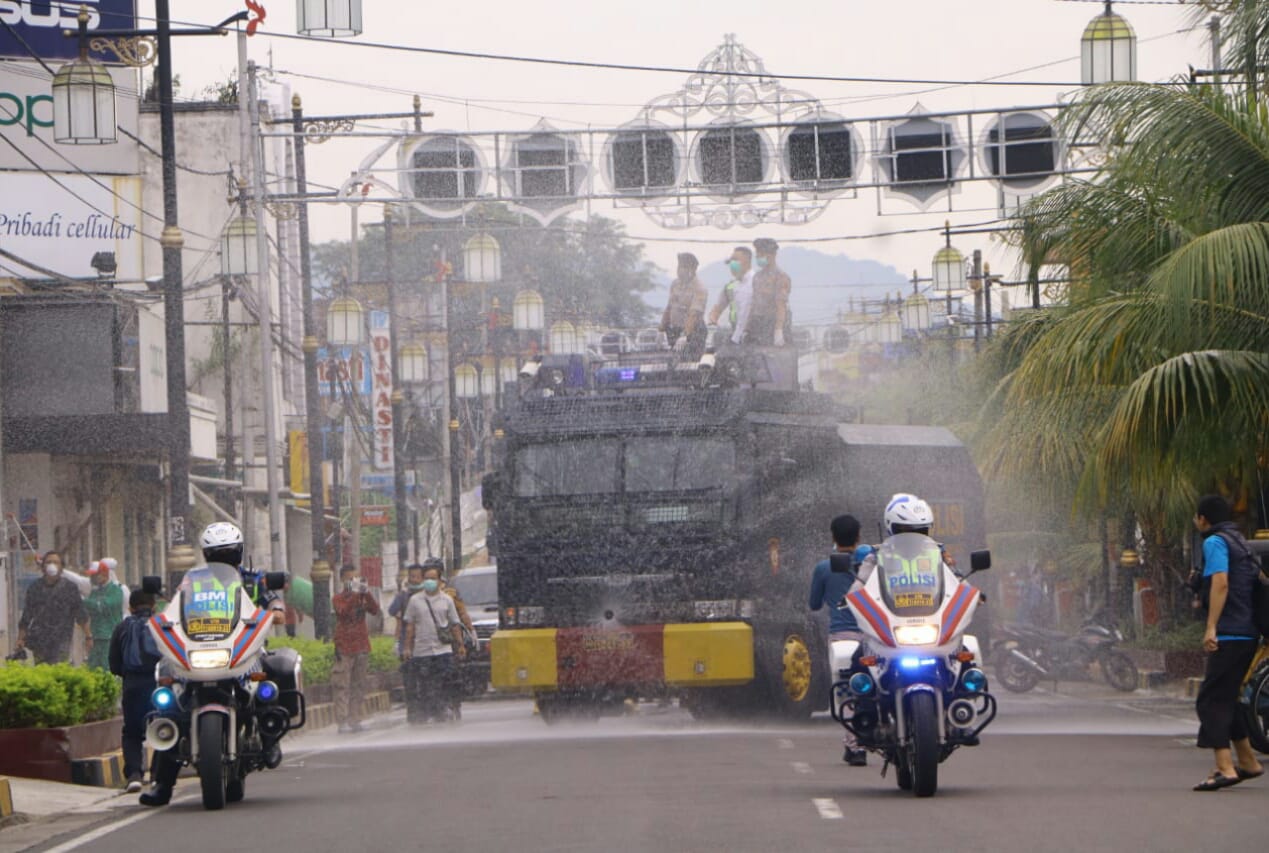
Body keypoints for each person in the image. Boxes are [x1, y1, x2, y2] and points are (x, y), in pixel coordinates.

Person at [1189, 494, 1264, 791]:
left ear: (1203, 519)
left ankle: (1225, 768)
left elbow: (1221, 582)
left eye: (1197, 518)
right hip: (1247, 632)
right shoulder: (1240, 542)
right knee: (1227, 698)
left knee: (1209, 700)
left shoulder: (1215, 542)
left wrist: (1211, 627)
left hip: (1229, 633)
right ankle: (1248, 762)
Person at [809, 514, 872, 766]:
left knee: (847, 691)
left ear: (833, 537)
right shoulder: (871, 564)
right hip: (872, 635)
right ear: (858, 536)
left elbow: (814, 604)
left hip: (841, 636)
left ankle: (854, 746)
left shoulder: (824, 568)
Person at [109, 589, 162, 793]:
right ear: (154, 606)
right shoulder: (163, 627)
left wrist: (129, 676)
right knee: (165, 727)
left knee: (132, 732)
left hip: (132, 686)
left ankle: (134, 775)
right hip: (160, 685)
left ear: (130, 608)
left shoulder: (122, 628)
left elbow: (114, 664)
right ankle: (159, 773)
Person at [402, 563, 467, 724]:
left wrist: (460, 645)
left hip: (442, 650)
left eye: (433, 578)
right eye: (427, 578)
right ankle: (430, 710)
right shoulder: (415, 601)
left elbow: (454, 624)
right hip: (422, 651)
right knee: (425, 683)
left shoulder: (447, 600)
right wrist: (407, 647)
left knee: (445, 681)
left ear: (439, 580)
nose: (429, 581)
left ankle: (444, 708)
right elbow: (410, 626)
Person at [199, 522, 284, 619]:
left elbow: (273, 601)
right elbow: (181, 603)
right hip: (203, 631)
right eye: (218, 556)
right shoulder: (196, 581)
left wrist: (276, 610)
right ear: (207, 555)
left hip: (247, 632)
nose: (225, 560)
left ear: (239, 552)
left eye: (230, 554)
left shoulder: (253, 579)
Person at [332, 564, 380, 734]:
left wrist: (365, 592)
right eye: (350, 579)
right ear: (342, 579)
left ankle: (355, 718)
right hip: (344, 647)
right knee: (342, 685)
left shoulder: (362, 596)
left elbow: (375, 610)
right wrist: (354, 594)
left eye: (356, 578)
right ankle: (342, 720)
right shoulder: (338, 598)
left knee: (358, 685)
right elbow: (343, 612)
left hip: (361, 645)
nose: (353, 582)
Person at [16, 551, 87, 664]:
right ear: (43, 566)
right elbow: (26, 616)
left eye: (55, 562)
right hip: (40, 640)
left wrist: (88, 636)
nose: (52, 565)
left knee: (59, 671)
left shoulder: (70, 588)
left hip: (62, 639)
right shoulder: (35, 588)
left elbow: (81, 615)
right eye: (48, 562)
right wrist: (20, 638)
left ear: (61, 567)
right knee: (42, 672)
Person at [660, 252, 709, 360]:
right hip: (675, 330)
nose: (680, 270)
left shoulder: (699, 288)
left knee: (690, 365)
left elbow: (694, 314)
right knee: (673, 363)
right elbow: (669, 308)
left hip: (694, 333)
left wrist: (685, 335)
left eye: (684, 267)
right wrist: (661, 329)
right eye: (679, 266)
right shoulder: (675, 284)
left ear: (692, 270)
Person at [746, 238, 792, 347]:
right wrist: (747, 327)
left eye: (760, 254)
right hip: (756, 324)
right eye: (757, 254)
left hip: (771, 322)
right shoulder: (757, 277)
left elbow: (781, 305)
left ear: (770, 255)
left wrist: (778, 330)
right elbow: (753, 303)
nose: (757, 257)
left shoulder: (780, 277)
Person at [83, 560, 125, 670]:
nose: (92, 578)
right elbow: (88, 609)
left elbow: (102, 606)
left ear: (104, 574)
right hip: (95, 637)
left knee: (108, 669)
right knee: (93, 668)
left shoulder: (116, 590)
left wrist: (85, 601)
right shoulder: (95, 592)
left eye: (94, 575)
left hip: (109, 637)